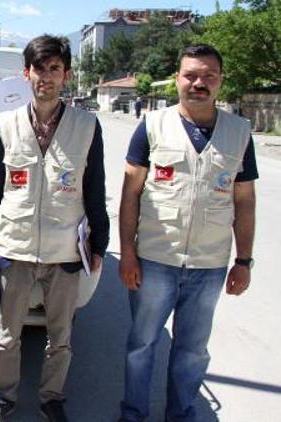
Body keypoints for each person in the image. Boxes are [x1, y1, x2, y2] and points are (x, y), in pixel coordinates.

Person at [118, 44, 258, 422]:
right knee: (141, 345)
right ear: (178, 79)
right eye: (191, 75)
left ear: (220, 81)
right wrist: (127, 253)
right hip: (154, 261)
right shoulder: (151, 126)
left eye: (209, 76)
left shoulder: (239, 132)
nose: (200, 83)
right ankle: (133, 414)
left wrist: (243, 261)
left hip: (209, 265)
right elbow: (130, 193)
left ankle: (181, 415)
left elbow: (244, 201)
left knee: (193, 351)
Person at [0, 35, 110, 422]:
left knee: (60, 339)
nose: (46, 77)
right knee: (8, 336)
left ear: (66, 75)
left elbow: (95, 190)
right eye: (39, 69)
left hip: (66, 250)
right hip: (15, 248)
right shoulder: (5, 125)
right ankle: (2, 400)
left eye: (55, 69)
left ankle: (52, 399)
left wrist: (98, 244)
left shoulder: (87, 127)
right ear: (26, 73)